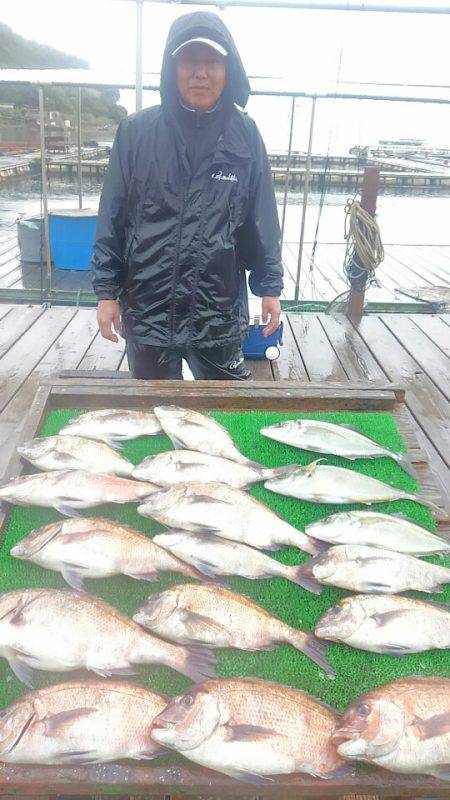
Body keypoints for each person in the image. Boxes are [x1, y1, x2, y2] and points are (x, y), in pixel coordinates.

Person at [92, 11, 283, 380]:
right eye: (190, 61)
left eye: (212, 61)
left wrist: (269, 286)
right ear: (172, 67)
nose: (201, 72)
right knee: (154, 411)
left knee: (227, 409)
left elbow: (262, 218)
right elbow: (111, 219)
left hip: (218, 309)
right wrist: (106, 291)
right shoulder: (136, 133)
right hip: (149, 308)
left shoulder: (245, 135)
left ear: (228, 70)